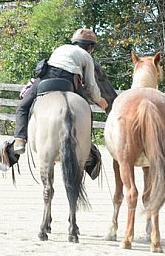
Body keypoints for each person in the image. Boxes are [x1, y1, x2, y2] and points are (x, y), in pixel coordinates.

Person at [11, 28, 109, 172]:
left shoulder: (61, 48)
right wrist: (99, 100)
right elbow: (90, 85)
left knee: (23, 107)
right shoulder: (87, 57)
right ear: (90, 47)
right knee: (86, 112)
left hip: (46, 79)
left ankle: (19, 139)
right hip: (69, 81)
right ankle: (87, 148)